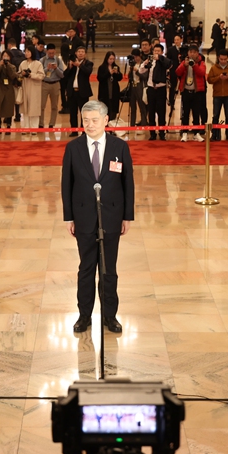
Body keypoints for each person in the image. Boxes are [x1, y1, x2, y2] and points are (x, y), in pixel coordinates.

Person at [61, 100, 134, 335]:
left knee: (108, 269)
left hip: (112, 216)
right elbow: (67, 185)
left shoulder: (119, 147)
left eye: (94, 120)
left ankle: (110, 316)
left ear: (105, 120)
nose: (90, 125)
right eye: (85, 121)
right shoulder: (73, 148)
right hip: (83, 217)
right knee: (86, 268)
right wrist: (69, 217)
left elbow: (128, 184)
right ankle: (84, 315)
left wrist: (127, 216)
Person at [175, 48, 207, 142]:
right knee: (185, 113)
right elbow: (177, 72)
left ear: (197, 53)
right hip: (186, 91)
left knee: (196, 113)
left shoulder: (201, 62)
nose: (192, 54)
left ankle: (196, 133)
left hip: (196, 92)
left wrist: (194, 65)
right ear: (188, 53)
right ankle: (184, 133)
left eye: (194, 52)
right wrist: (184, 66)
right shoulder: (184, 62)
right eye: (190, 52)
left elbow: (202, 73)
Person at [139, 44, 169, 141]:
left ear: (162, 52)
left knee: (161, 112)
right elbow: (141, 70)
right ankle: (152, 133)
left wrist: (160, 58)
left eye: (158, 51)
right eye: (155, 51)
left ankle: (162, 133)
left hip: (161, 89)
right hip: (151, 88)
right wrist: (145, 63)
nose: (156, 53)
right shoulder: (150, 61)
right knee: (151, 112)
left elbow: (169, 64)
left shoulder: (164, 61)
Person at [207, 50, 228, 141]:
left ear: (227, 58)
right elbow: (209, 80)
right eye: (221, 59)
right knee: (215, 115)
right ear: (218, 58)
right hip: (217, 95)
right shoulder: (213, 68)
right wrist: (218, 78)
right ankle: (214, 134)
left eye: (225, 59)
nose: (223, 61)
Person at [63, 47, 94, 136]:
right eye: (79, 52)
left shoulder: (88, 63)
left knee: (84, 113)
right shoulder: (71, 63)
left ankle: (84, 131)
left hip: (82, 92)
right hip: (72, 92)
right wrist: (70, 66)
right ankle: (74, 130)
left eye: (82, 52)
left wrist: (79, 65)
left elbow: (88, 72)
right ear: (76, 53)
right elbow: (65, 75)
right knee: (73, 113)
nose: (81, 53)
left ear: (85, 54)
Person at [0, 51, 19, 133]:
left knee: (8, 108)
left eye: (7, 56)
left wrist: (7, 66)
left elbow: (12, 76)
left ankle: (8, 126)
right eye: (4, 55)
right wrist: (0, 65)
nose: (5, 57)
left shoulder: (12, 66)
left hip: (9, 89)